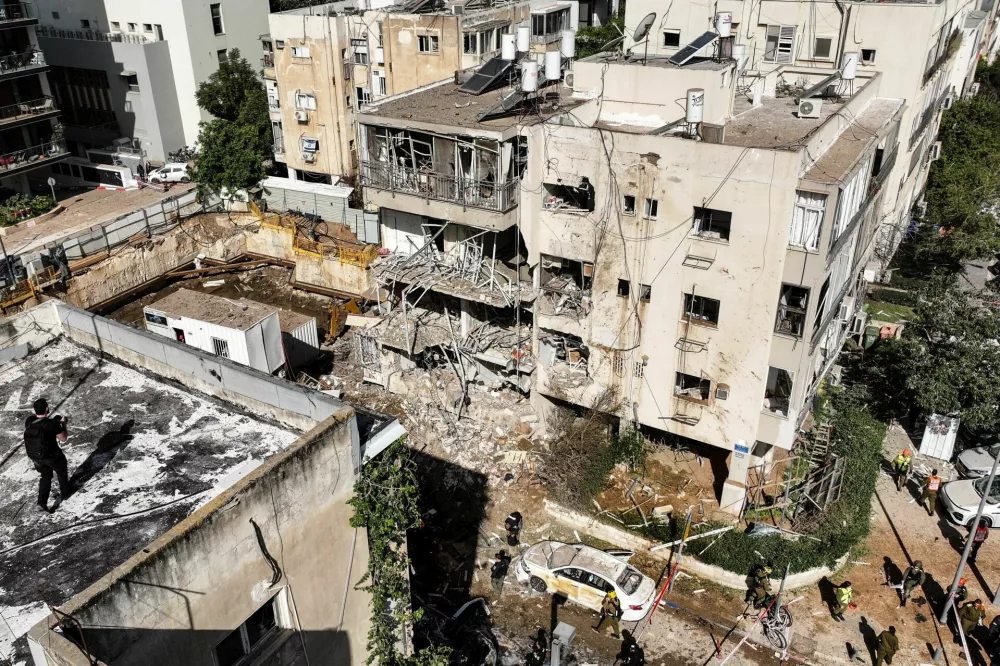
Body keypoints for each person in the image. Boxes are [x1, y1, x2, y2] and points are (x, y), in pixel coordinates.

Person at [24, 398, 72, 513]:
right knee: (61, 471)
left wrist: (54, 421)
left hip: (35, 457)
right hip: (51, 456)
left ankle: (41, 503)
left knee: (45, 476)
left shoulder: (29, 421)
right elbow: (63, 438)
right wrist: (63, 424)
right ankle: (65, 493)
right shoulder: (52, 424)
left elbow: (42, 424)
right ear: (47, 409)